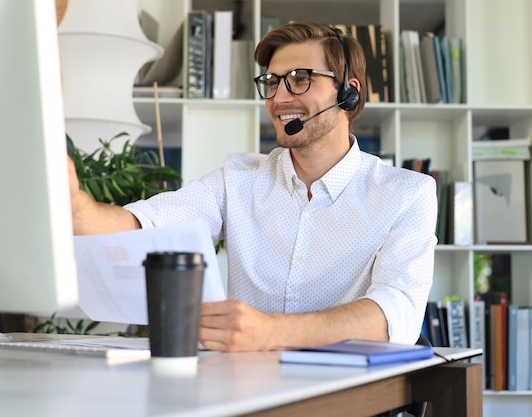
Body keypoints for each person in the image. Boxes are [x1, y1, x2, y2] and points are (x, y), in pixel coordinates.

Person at [68, 22, 438, 352]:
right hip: (242, 390)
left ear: (348, 92)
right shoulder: (239, 178)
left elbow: (396, 313)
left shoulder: (407, 194)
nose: (278, 98)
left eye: (299, 79)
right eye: (272, 82)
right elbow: (149, 225)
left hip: (347, 398)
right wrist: (75, 207)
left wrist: (270, 332)